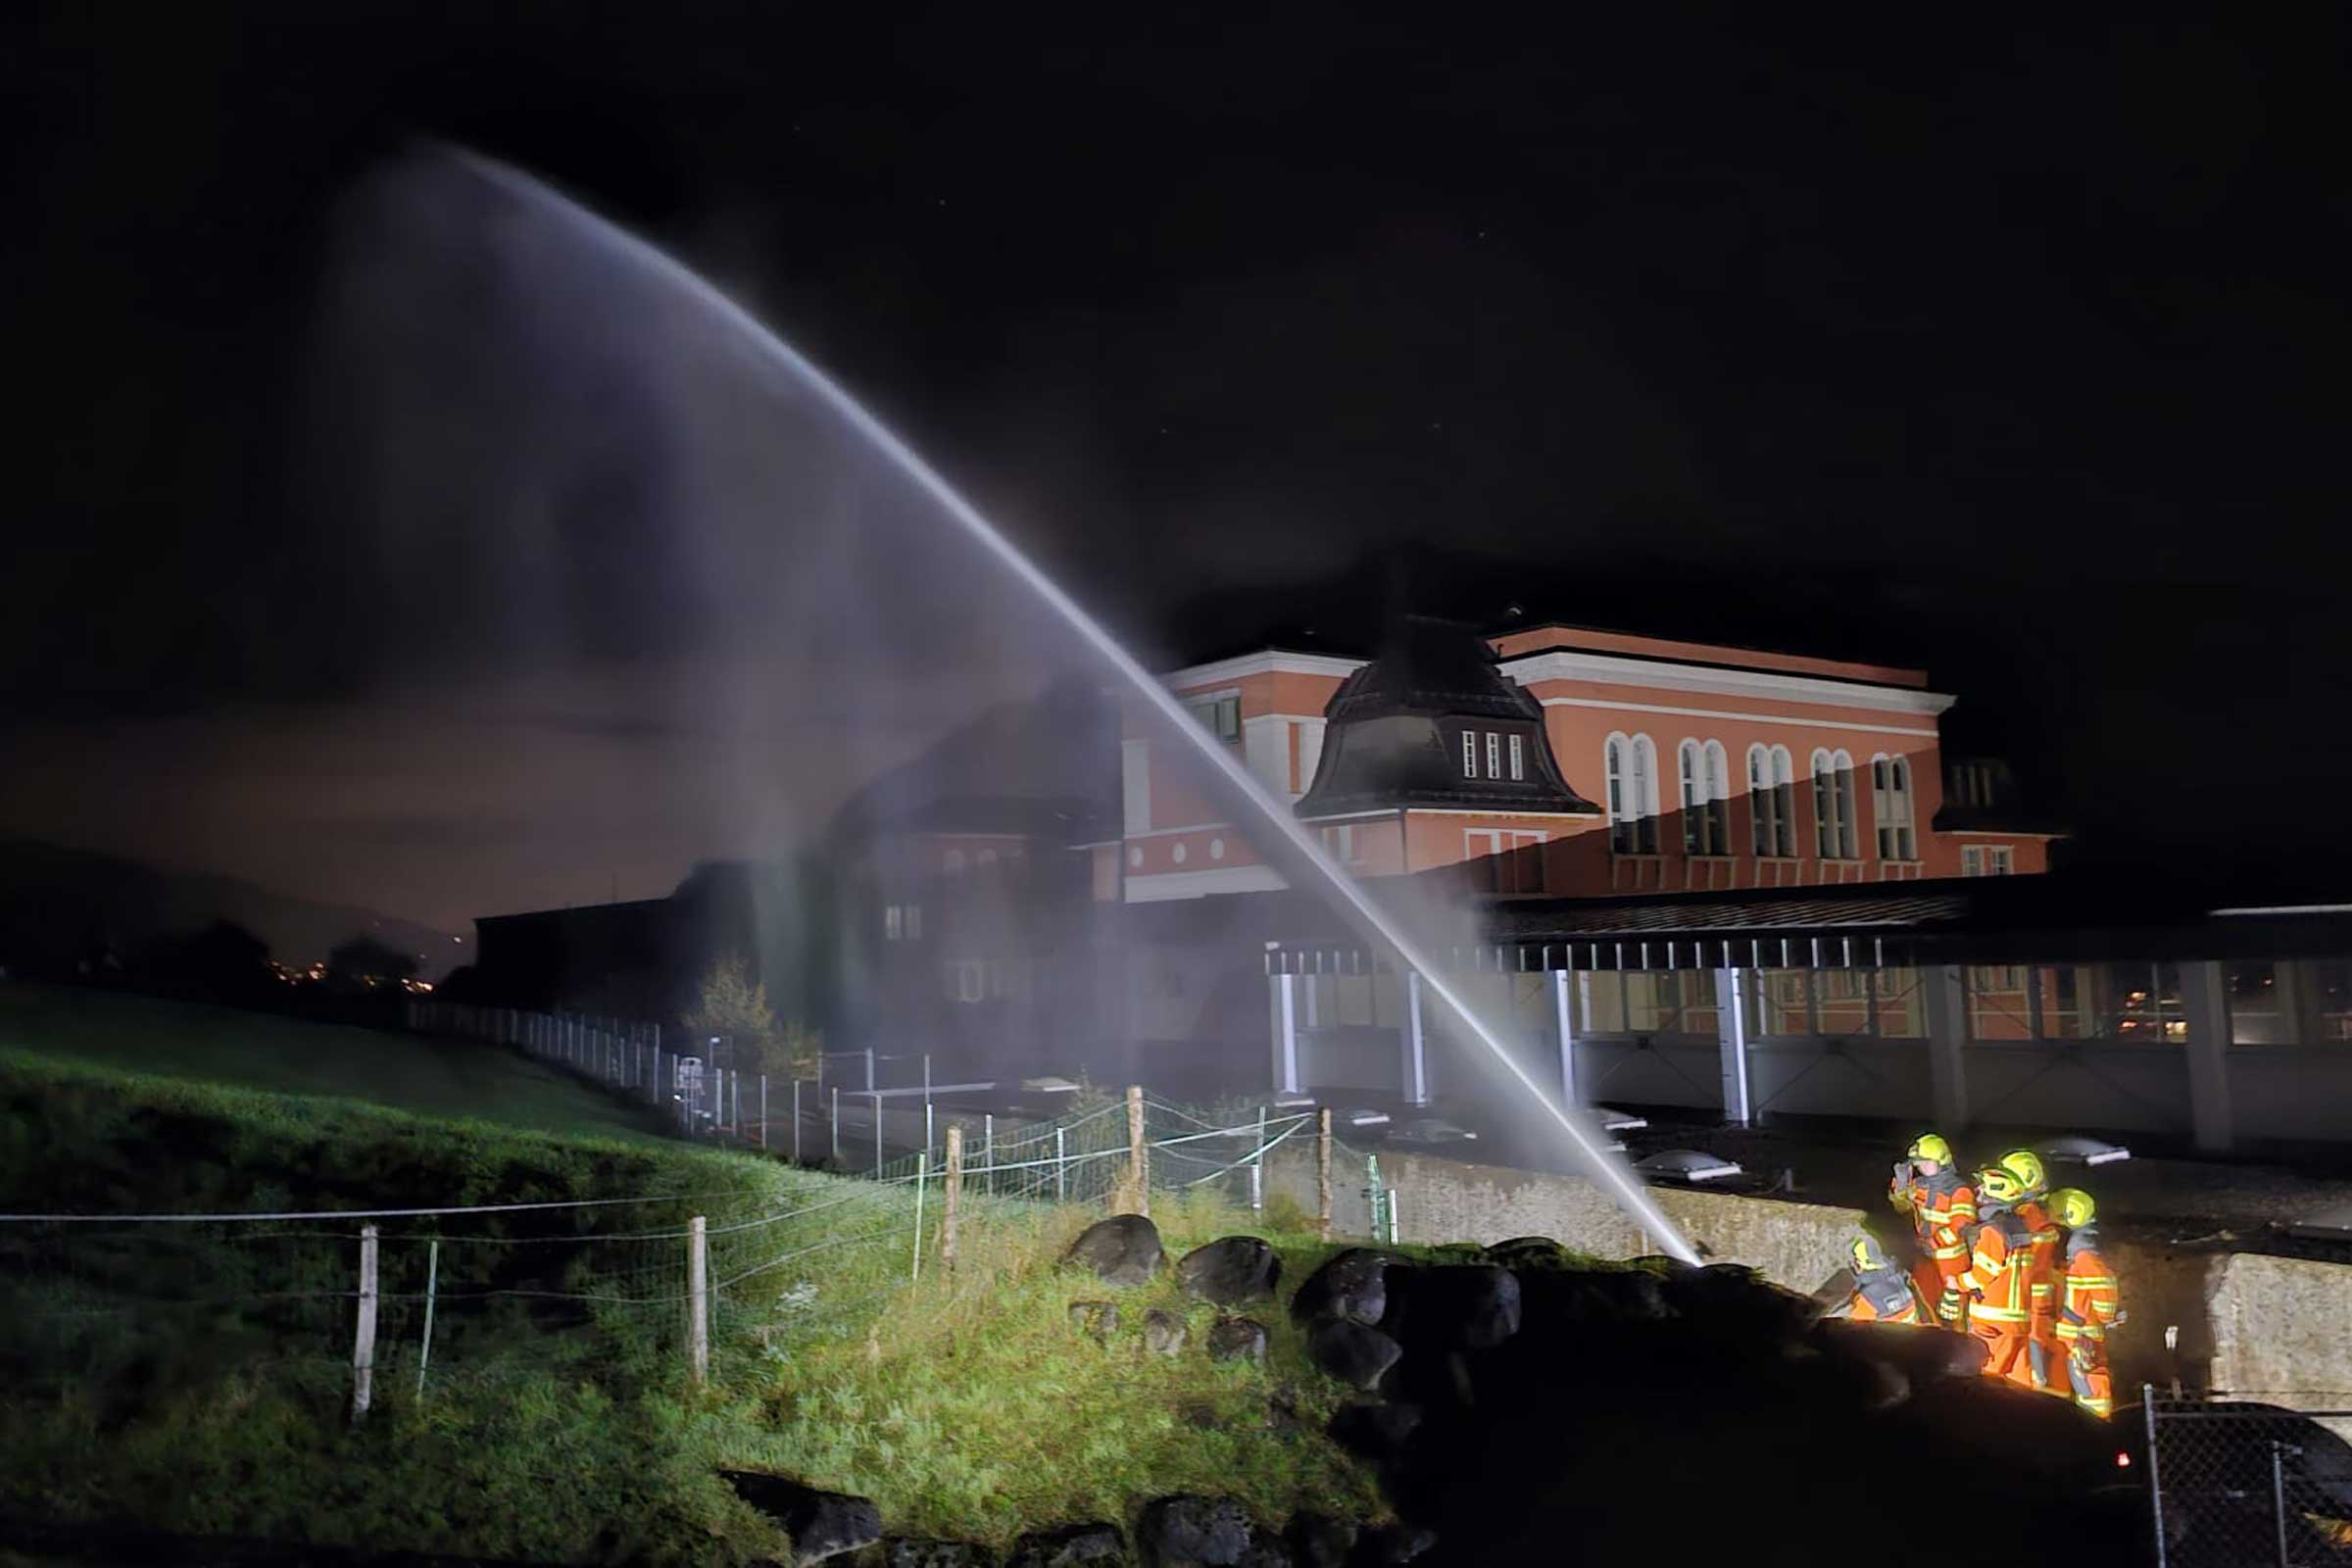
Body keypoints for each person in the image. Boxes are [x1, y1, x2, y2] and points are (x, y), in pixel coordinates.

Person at [1962, 1151, 2056, 1392]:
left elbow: (1988, 1269)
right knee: (2021, 1378)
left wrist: (1960, 1282)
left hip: (2002, 1313)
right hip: (2023, 1310)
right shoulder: (2031, 1219)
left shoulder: (2018, 1220)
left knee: (1988, 1378)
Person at [2050, 1187, 2123, 1419]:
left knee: (2090, 1385)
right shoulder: (2080, 1248)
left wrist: (2105, 1317)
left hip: (2082, 1333)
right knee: (2082, 1385)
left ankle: (2100, 1428)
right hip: (2079, 1331)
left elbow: (2102, 1286)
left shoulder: (2084, 1252)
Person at [1888, 1132, 1976, 1326]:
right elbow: (1901, 1207)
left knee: (1954, 1310)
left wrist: (1934, 1242)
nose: (1922, 1167)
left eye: (1926, 1162)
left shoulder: (1959, 1191)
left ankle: (1957, 1346)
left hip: (1951, 1262)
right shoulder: (1920, 1186)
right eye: (1919, 1163)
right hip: (1926, 1258)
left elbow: (1961, 1225)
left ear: (1941, 1161)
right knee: (1924, 1302)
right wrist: (1901, 1187)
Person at [1838, 1232, 1933, 1324]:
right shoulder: (1902, 1275)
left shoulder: (1869, 1296)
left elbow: (1853, 1328)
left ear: (1863, 1262)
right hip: (1915, 1333)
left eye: (1857, 1259)